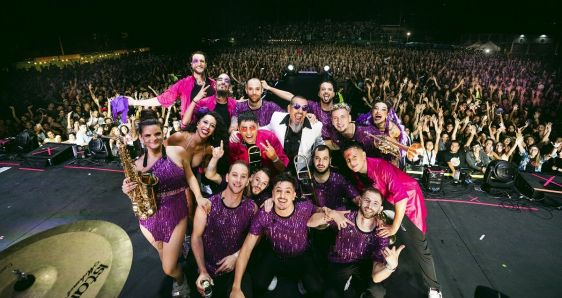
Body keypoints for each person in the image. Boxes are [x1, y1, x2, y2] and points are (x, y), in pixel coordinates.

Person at [342, 142, 442, 298]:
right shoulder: (357, 172)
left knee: (420, 245)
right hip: (388, 201)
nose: (351, 161)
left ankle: (435, 289)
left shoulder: (381, 166)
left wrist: (394, 227)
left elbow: (401, 197)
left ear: (363, 155)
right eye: (348, 160)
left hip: (408, 200)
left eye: (354, 156)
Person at [121, 110, 191, 297]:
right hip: (149, 218)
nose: (154, 138)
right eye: (148, 135)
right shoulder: (136, 165)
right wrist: (127, 191)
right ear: (141, 138)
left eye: (157, 133)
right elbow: (136, 197)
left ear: (163, 132)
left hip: (175, 211)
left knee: (167, 268)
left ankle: (181, 280)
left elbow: (189, 180)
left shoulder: (177, 152)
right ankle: (178, 261)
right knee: (164, 255)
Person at [229, 173, 326, 298]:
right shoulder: (264, 214)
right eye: (278, 191)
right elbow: (246, 249)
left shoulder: (304, 207)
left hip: (301, 256)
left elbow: (317, 210)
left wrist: (326, 211)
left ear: (294, 195)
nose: (282, 196)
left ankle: (301, 279)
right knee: (258, 284)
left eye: (287, 192)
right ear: (272, 194)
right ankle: (274, 276)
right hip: (276, 255)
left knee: (316, 288)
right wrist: (236, 287)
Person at [308, 188, 404, 298]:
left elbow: (376, 277)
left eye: (375, 203)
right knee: (330, 294)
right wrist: (332, 214)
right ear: (360, 201)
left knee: (377, 292)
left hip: (364, 264)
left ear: (380, 208)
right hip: (340, 261)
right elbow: (311, 222)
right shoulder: (345, 214)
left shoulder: (381, 232)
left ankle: (356, 287)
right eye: (367, 200)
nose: (369, 206)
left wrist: (391, 267)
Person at [191, 161, 257, 297]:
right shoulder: (207, 205)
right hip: (207, 268)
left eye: (243, 177)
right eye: (234, 175)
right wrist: (202, 270)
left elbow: (256, 237)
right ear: (227, 177)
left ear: (247, 181)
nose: (238, 180)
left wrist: (237, 256)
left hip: (236, 269)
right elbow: (196, 237)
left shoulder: (252, 208)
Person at [166, 110, 227, 208]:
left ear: (214, 131)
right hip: (166, 181)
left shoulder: (208, 149)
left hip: (188, 185)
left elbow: (209, 173)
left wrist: (215, 158)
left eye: (212, 126)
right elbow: (158, 154)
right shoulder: (179, 137)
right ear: (198, 124)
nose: (207, 127)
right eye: (205, 122)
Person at [127, 51, 216, 118]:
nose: (199, 63)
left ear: (206, 64)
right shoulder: (183, 84)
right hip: (191, 130)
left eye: (202, 61)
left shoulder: (214, 84)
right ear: (191, 65)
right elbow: (162, 99)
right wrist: (135, 102)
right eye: (196, 61)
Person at [262, 80, 337, 138]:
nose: (326, 91)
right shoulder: (313, 106)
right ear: (319, 93)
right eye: (323, 89)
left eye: (329, 89)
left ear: (333, 94)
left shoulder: (338, 110)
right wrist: (269, 88)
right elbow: (291, 97)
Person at [261, 95, 323, 165]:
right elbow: (263, 130)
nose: (300, 111)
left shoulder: (316, 126)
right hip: (278, 168)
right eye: (296, 107)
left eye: (304, 108)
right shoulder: (276, 118)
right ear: (289, 109)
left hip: (301, 171)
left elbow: (320, 146)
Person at [311, 144, 360, 210]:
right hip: (316, 215)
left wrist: (360, 201)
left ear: (330, 160)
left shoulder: (339, 176)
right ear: (312, 159)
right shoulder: (304, 176)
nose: (321, 162)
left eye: (325, 158)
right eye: (317, 158)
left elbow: (354, 195)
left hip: (339, 214)